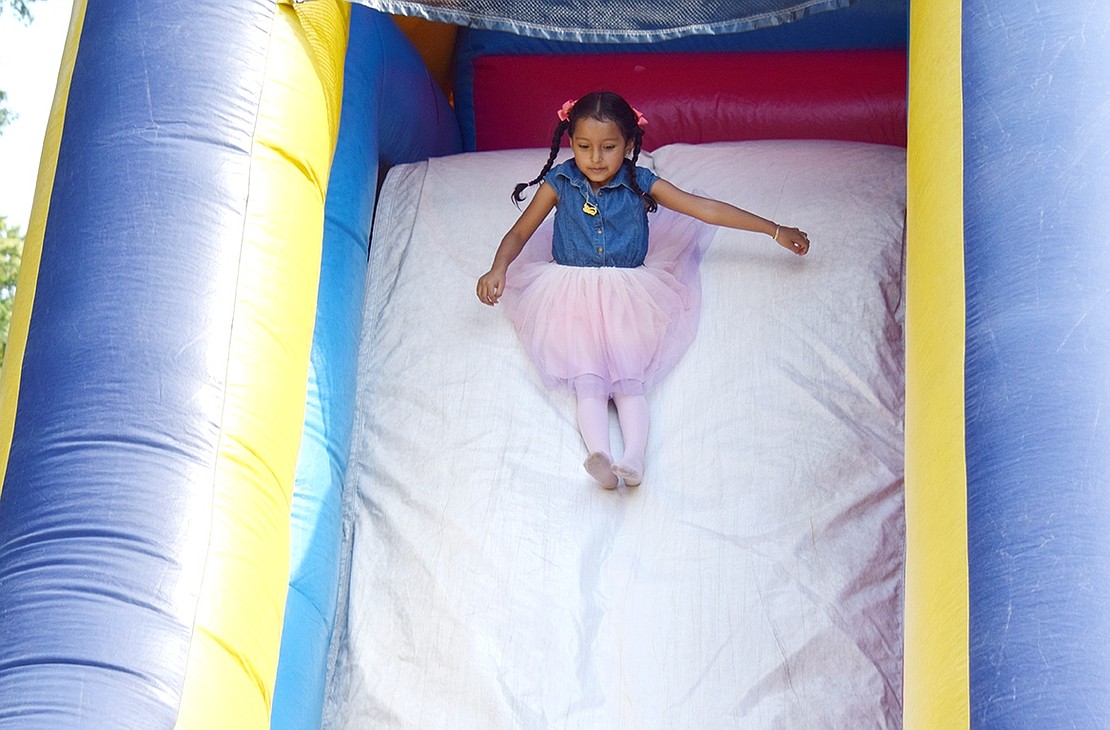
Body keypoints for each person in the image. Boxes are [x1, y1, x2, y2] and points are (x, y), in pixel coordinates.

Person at [476, 91, 809, 490]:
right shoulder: (560, 180)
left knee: (628, 382)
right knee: (589, 381)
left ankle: (633, 458)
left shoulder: (640, 182)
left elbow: (705, 209)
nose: (595, 158)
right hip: (569, 296)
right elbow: (519, 232)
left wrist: (774, 230)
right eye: (584, 147)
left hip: (628, 296)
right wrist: (498, 267)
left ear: (630, 145)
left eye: (609, 147)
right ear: (571, 143)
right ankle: (599, 455)